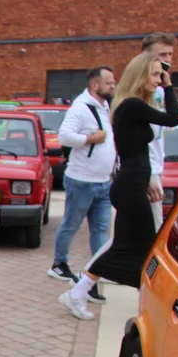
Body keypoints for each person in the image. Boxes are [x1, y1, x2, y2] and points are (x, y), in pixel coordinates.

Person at [58, 52, 178, 320]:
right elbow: (173, 119)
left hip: (132, 184)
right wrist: (169, 86)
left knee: (125, 244)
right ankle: (145, 303)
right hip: (129, 185)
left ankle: (79, 291)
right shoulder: (131, 105)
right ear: (142, 74)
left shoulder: (130, 105)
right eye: (157, 74)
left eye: (162, 75)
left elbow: (138, 151)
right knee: (143, 246)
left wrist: (146, 180)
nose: (160, 80)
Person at [47, 66, 117, 297]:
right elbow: (64, 136)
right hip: (82, 181)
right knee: (71, 224)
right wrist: (90, 138)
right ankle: (59, 264)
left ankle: (97, 271)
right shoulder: (80, 108)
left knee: (100, 230)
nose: (113, 85)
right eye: (109, 82)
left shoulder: (105, 106)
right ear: (95, 85)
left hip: (103, 181)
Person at [142, 32, 177, 229]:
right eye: (162, 54)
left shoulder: (160, 90)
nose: (167, 60)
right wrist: (149, 175)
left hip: (156, 166)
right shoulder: (138, 90)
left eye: (170, 54)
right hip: (146, 170)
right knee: (152, 231)